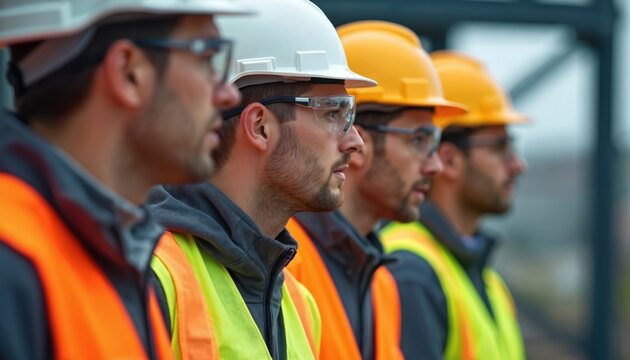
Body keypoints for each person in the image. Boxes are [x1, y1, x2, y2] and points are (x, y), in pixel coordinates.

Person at [0, 0, 247, 359]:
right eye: (208, 58)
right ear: (129, 72)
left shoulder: (120, 248)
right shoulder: (12, 264)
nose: (229, 95)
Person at [146, 0, 376, 358]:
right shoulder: (156, 275)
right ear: (259, 126)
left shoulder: (300, 305)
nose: (355, 141)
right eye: (333, 113)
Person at [286, 21, 466, 360]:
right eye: (419, 141)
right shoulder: (287, 263)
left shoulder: (382, 284)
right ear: (360, 144)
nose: (434, 166)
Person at [380, 51, 528, 360]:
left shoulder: (486, 280)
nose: (517, 165)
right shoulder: (410, 270)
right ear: (448, 159)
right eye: (500, 147)